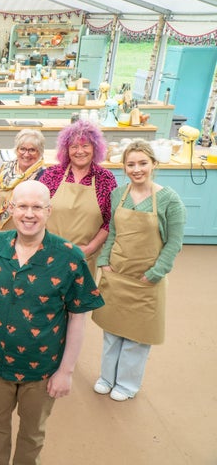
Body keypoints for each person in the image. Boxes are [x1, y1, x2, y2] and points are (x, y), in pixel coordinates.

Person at [0, 180, 104, 465]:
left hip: (42, 367)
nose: (29, 214)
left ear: (49, 210)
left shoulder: (69, 256)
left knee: (32, 435)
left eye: (37, 207)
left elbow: (78, 316)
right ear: (11, 209)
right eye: (23, 207)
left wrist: (66, 371)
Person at [92, 140, 186, 401]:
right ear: (124, 167)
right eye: (131, 164)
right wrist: (104, 262)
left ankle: (126, 384)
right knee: (111, 331)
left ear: (154, 164)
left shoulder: (169, 200)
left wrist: (155, 273)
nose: (137, 169)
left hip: (147, 279)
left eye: (142, 163)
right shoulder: (118, 195)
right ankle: (107, 377)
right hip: (116, 274)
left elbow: (174, 243)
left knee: (137, 337)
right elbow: (113, 232)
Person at [38, 120, 117, 275]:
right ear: (66, 150)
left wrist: (91, 247)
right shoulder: (52, 174)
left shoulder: (105, 179)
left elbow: (110, 221)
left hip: (86, 257)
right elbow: (36, 210)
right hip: (50, 252)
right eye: (74, 146)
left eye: (85, 145)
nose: (79, 151)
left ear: (95, 148)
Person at [0, 129, 46, 235]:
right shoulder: (3, 169)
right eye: (22, 149)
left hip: (26, 233)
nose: (26, 154)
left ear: (39, 152)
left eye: (32, 150)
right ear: (16, 150)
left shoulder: (44, 176)